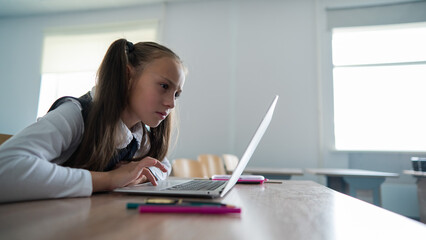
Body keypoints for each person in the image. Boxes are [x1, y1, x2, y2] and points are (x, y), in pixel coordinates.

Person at [0, 39, 186, 203]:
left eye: (176, 94)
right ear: (128, 76)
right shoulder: (76, 114)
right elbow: (6, 168)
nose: (171, 103)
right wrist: (110, 179)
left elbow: (163, 166)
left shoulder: (137, 132)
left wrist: (136, 176)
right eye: (164, 86)